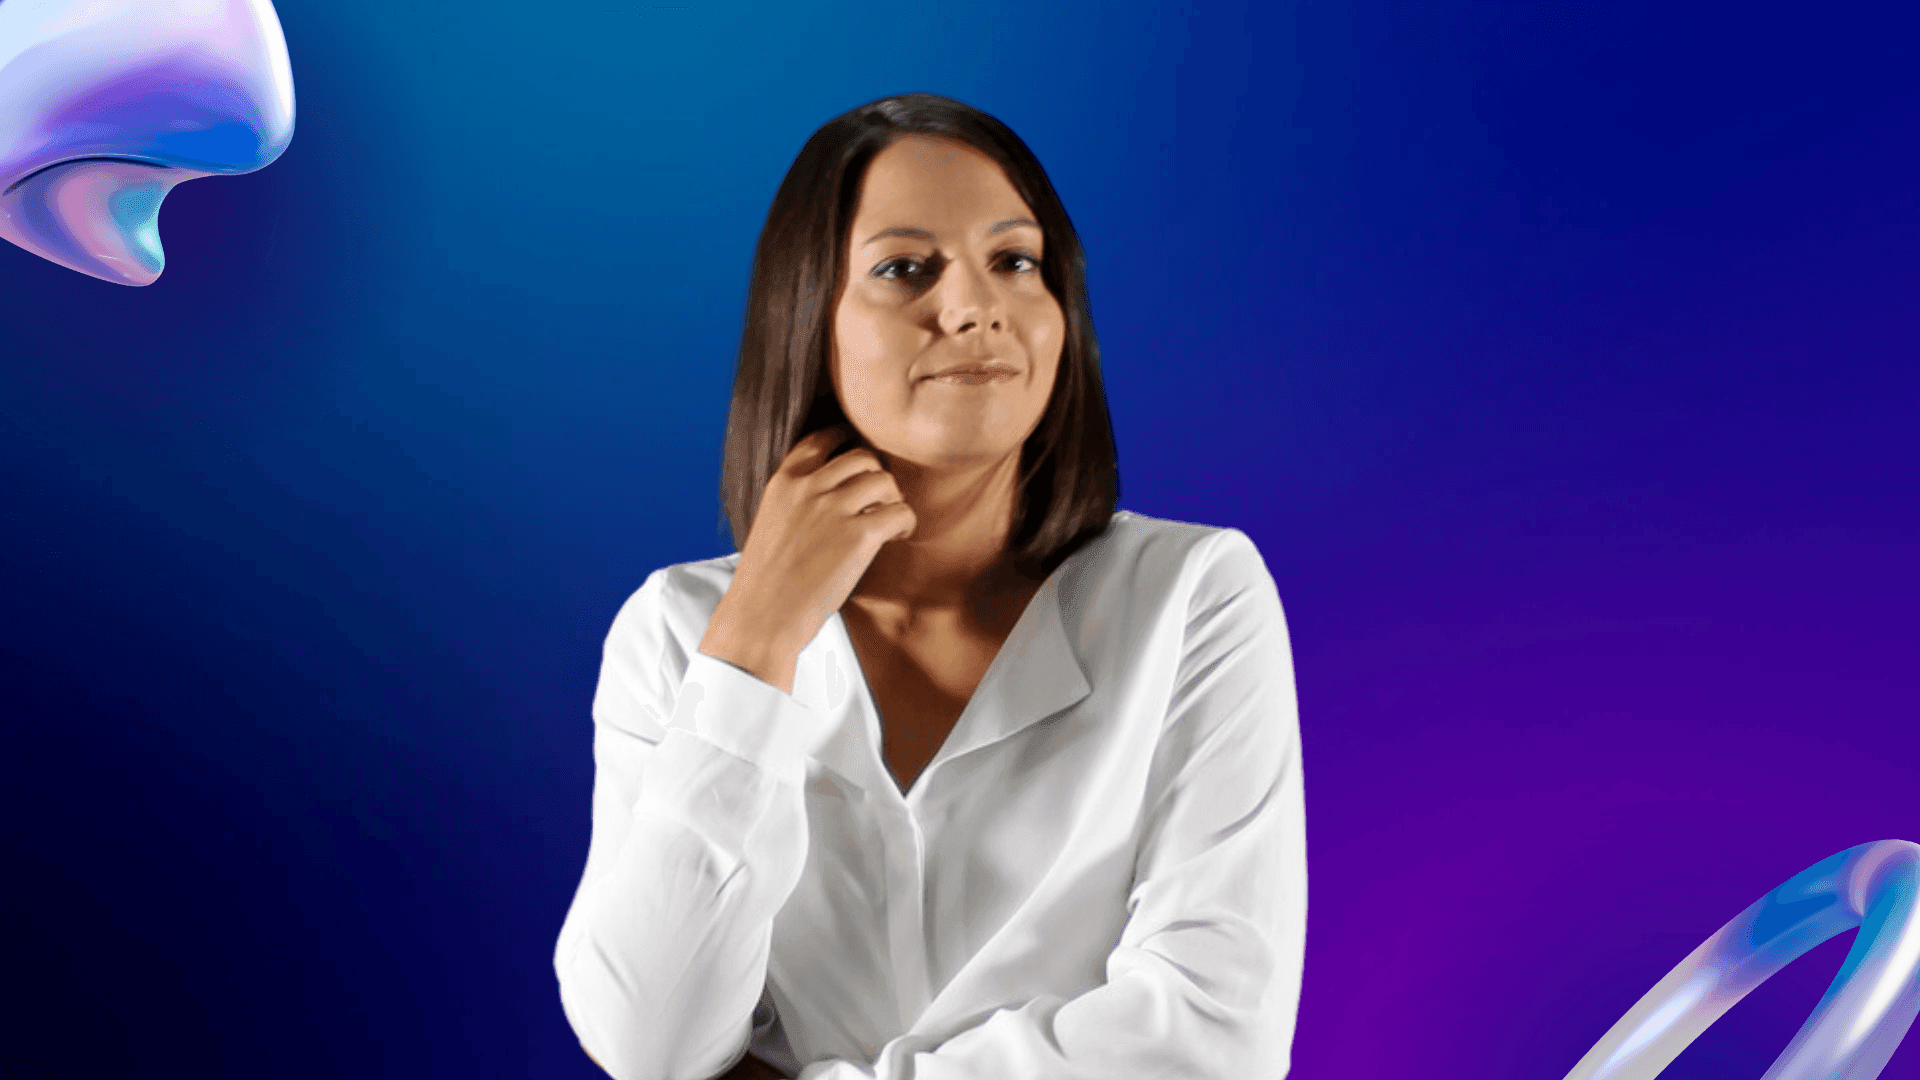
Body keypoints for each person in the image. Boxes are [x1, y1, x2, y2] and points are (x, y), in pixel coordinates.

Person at [553, 92, 1306, 1080]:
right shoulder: (679, 630)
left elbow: (1209, 1042)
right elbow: (650, 1043)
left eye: (1015, 261)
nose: (972, 306)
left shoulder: (1194, 594)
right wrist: (757, 643)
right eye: (906, 268)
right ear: (807, 317)